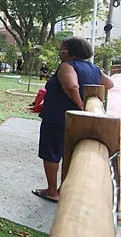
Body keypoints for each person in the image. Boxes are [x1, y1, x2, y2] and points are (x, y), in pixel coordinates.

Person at [33, 37, 113, 203]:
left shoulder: (67, 65)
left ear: (68, 51)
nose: (60, 51)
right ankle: (63, 190)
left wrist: (80, 104)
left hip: (59, 117)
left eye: (62, 48)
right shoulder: (94, 69)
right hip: (78, 121)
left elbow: (71, 86)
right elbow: (109, 83)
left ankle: (52, 191)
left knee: (51, 153)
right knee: (69, 153)